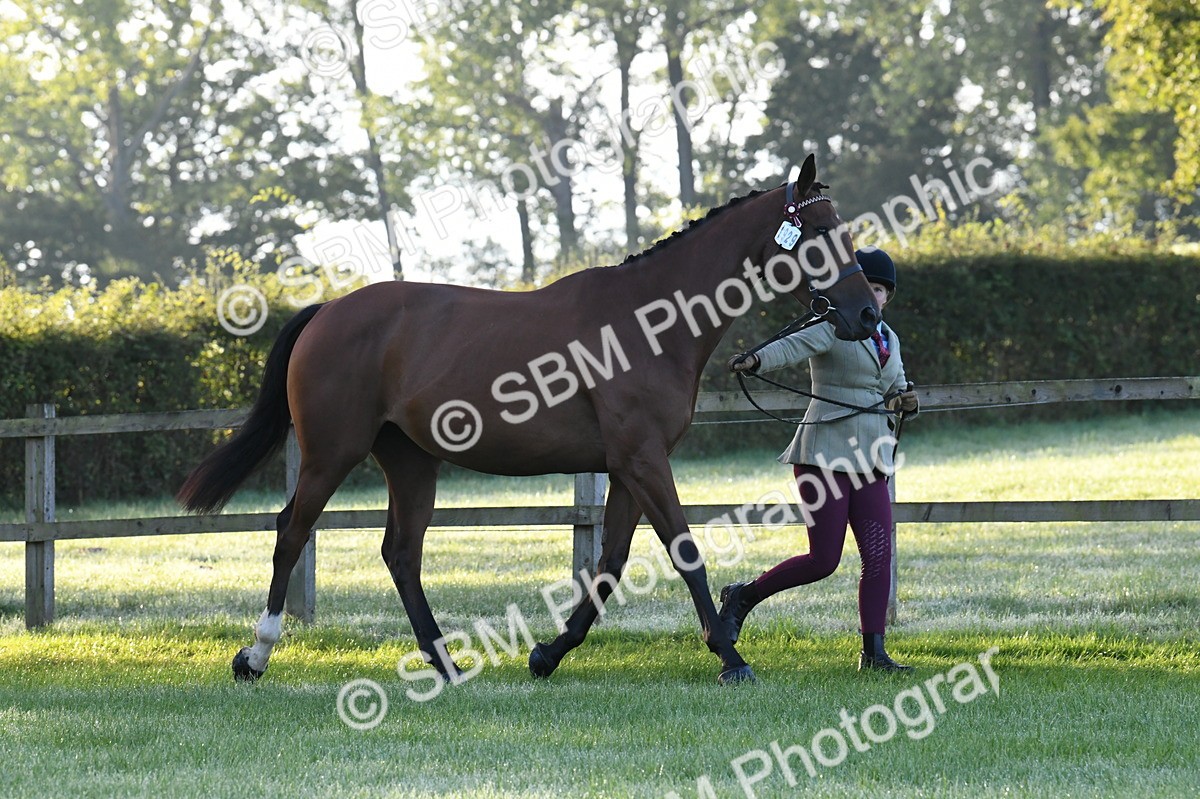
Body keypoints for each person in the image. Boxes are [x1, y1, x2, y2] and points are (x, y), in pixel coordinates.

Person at [720, 246, 919, 671]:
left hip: (871, 458)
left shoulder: (890, 337)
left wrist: (906, 399)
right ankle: (744, 596)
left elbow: (896, 384)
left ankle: (874, 654)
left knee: (878, 557)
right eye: (866, 286)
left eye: (880, 289)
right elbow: (793, 346)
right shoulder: (832, 326)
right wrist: (757, 359)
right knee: (823, 560)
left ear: (887, 296)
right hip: (824, 453)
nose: (873, 295)